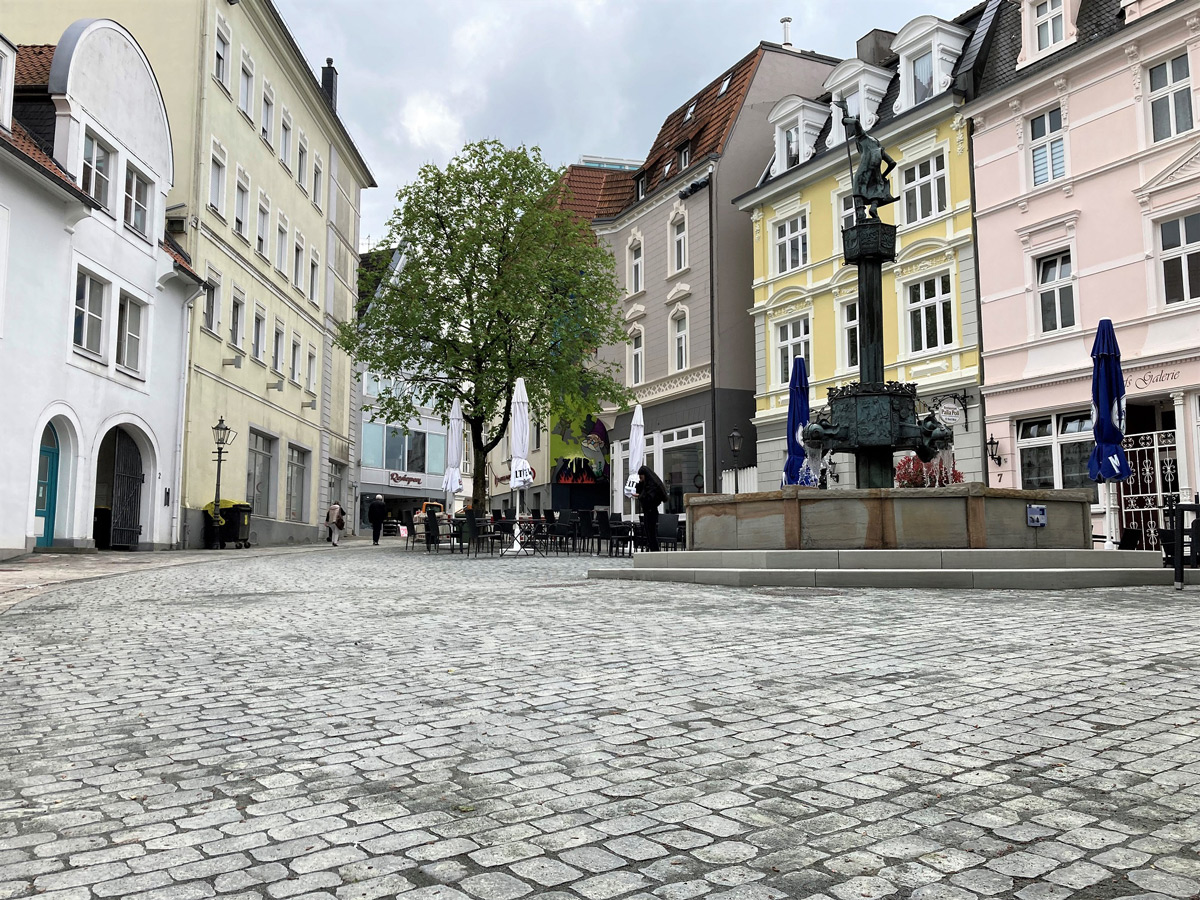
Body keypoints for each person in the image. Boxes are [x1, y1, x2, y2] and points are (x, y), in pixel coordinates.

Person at [635, 465, 668, 552]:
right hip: (648, 511)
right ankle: (653, 550)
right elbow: (641, 492)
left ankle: (655, 551)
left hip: (651, 511)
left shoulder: (652, 486)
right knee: (649, 534)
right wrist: (640, 484)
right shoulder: (647, 485)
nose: (640, 478)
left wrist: (640, 496)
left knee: (651, 533)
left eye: (641, 477)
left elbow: (648, 498)